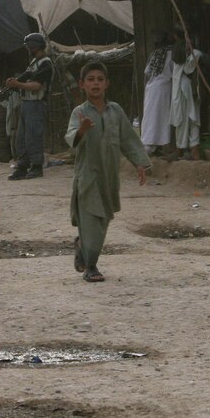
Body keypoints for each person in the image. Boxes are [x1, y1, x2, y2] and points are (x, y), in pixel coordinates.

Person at [64, 62, 150, 283]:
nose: (95, 83)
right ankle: (91, 266)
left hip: (109, 177)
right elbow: (71, 137)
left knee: (103, 221)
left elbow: (128, 139)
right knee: (91, 218)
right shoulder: (80, 112)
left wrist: (139, 162)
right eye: (90, 79)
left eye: (100, 79)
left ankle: (83, 245)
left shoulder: (116, 111)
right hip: (88, 175)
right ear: (82, 84)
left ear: (107, 84)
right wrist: (81, 131)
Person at [5, 33, 53, 180]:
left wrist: (17, 84)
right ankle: (22, 167)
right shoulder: (34, 63)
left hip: (36, 104)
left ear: (35, 46)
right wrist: (13, 83)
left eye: (28, 46)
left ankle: (37, 167)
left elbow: (37, 86)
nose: (27, 49)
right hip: (27, 104)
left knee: (33, 137)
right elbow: (25, 78)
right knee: (21, 138)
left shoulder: (45, 63)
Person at [169, 28, 203, 160]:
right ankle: (187, 149)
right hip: (184, 90)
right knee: (188, 119)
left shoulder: (180, 49)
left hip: (185, 90)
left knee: (188, 119)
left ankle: (189, 149)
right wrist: (193, 50)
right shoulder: (182, 50)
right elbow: (190, 66)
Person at [141, 31, 174, 155]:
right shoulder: (170, 54)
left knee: (151, 116)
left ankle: (149, 144)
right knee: (162, 117)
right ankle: (161, 144)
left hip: (151, 88)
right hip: (164, 88)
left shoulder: (155, 54)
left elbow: (147, 72)